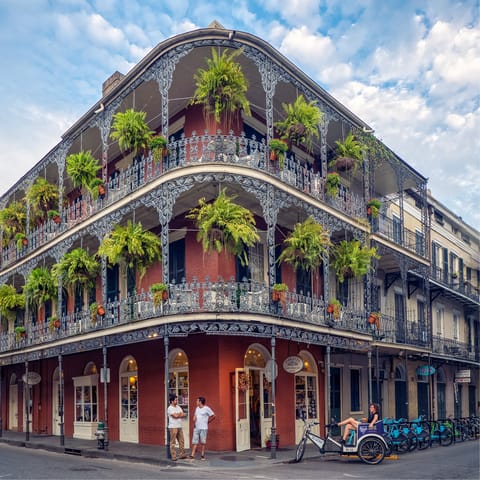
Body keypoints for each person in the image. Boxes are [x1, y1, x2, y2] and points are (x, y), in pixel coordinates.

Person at [189, 396, 215, 460]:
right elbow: (195, 415)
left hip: (203, 428)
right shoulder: (197, 408)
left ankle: (202, 455)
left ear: (200, 402)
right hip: (196, 427)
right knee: (195, 442)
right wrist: (194, 417)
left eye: (197, 401)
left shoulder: (207, 408)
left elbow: (213, 416)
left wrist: (208, 422)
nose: (196, 402)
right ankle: (192, 455)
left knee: (203, 442)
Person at [167, 394, 187, 461]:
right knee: (173, 442)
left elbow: (183, 414)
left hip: (179, 426)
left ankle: (182, 454)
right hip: (173, 427)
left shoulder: (178, 407)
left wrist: (178, 415)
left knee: (181, 441)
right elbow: (175, 416)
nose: (177, 401)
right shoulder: (169, 408)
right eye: (175, 400)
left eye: (177, 400)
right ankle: (173, 456)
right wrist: (179, 415)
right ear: (172, 401)